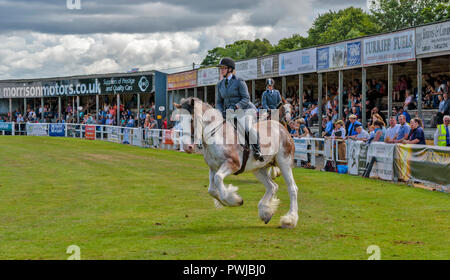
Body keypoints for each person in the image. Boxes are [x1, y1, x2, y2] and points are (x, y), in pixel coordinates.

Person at [216, 57, 263, 161]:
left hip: (246, 110)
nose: (221, 70)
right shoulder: (219, 85)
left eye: (223, 68)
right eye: (221, 68)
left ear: (230, 69)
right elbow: (219, 102)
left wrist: (236, 106)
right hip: (230, 112)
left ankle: (257, 150)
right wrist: (220, 112)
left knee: (247, 127)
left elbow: (246, 98)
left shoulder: (239, 81)